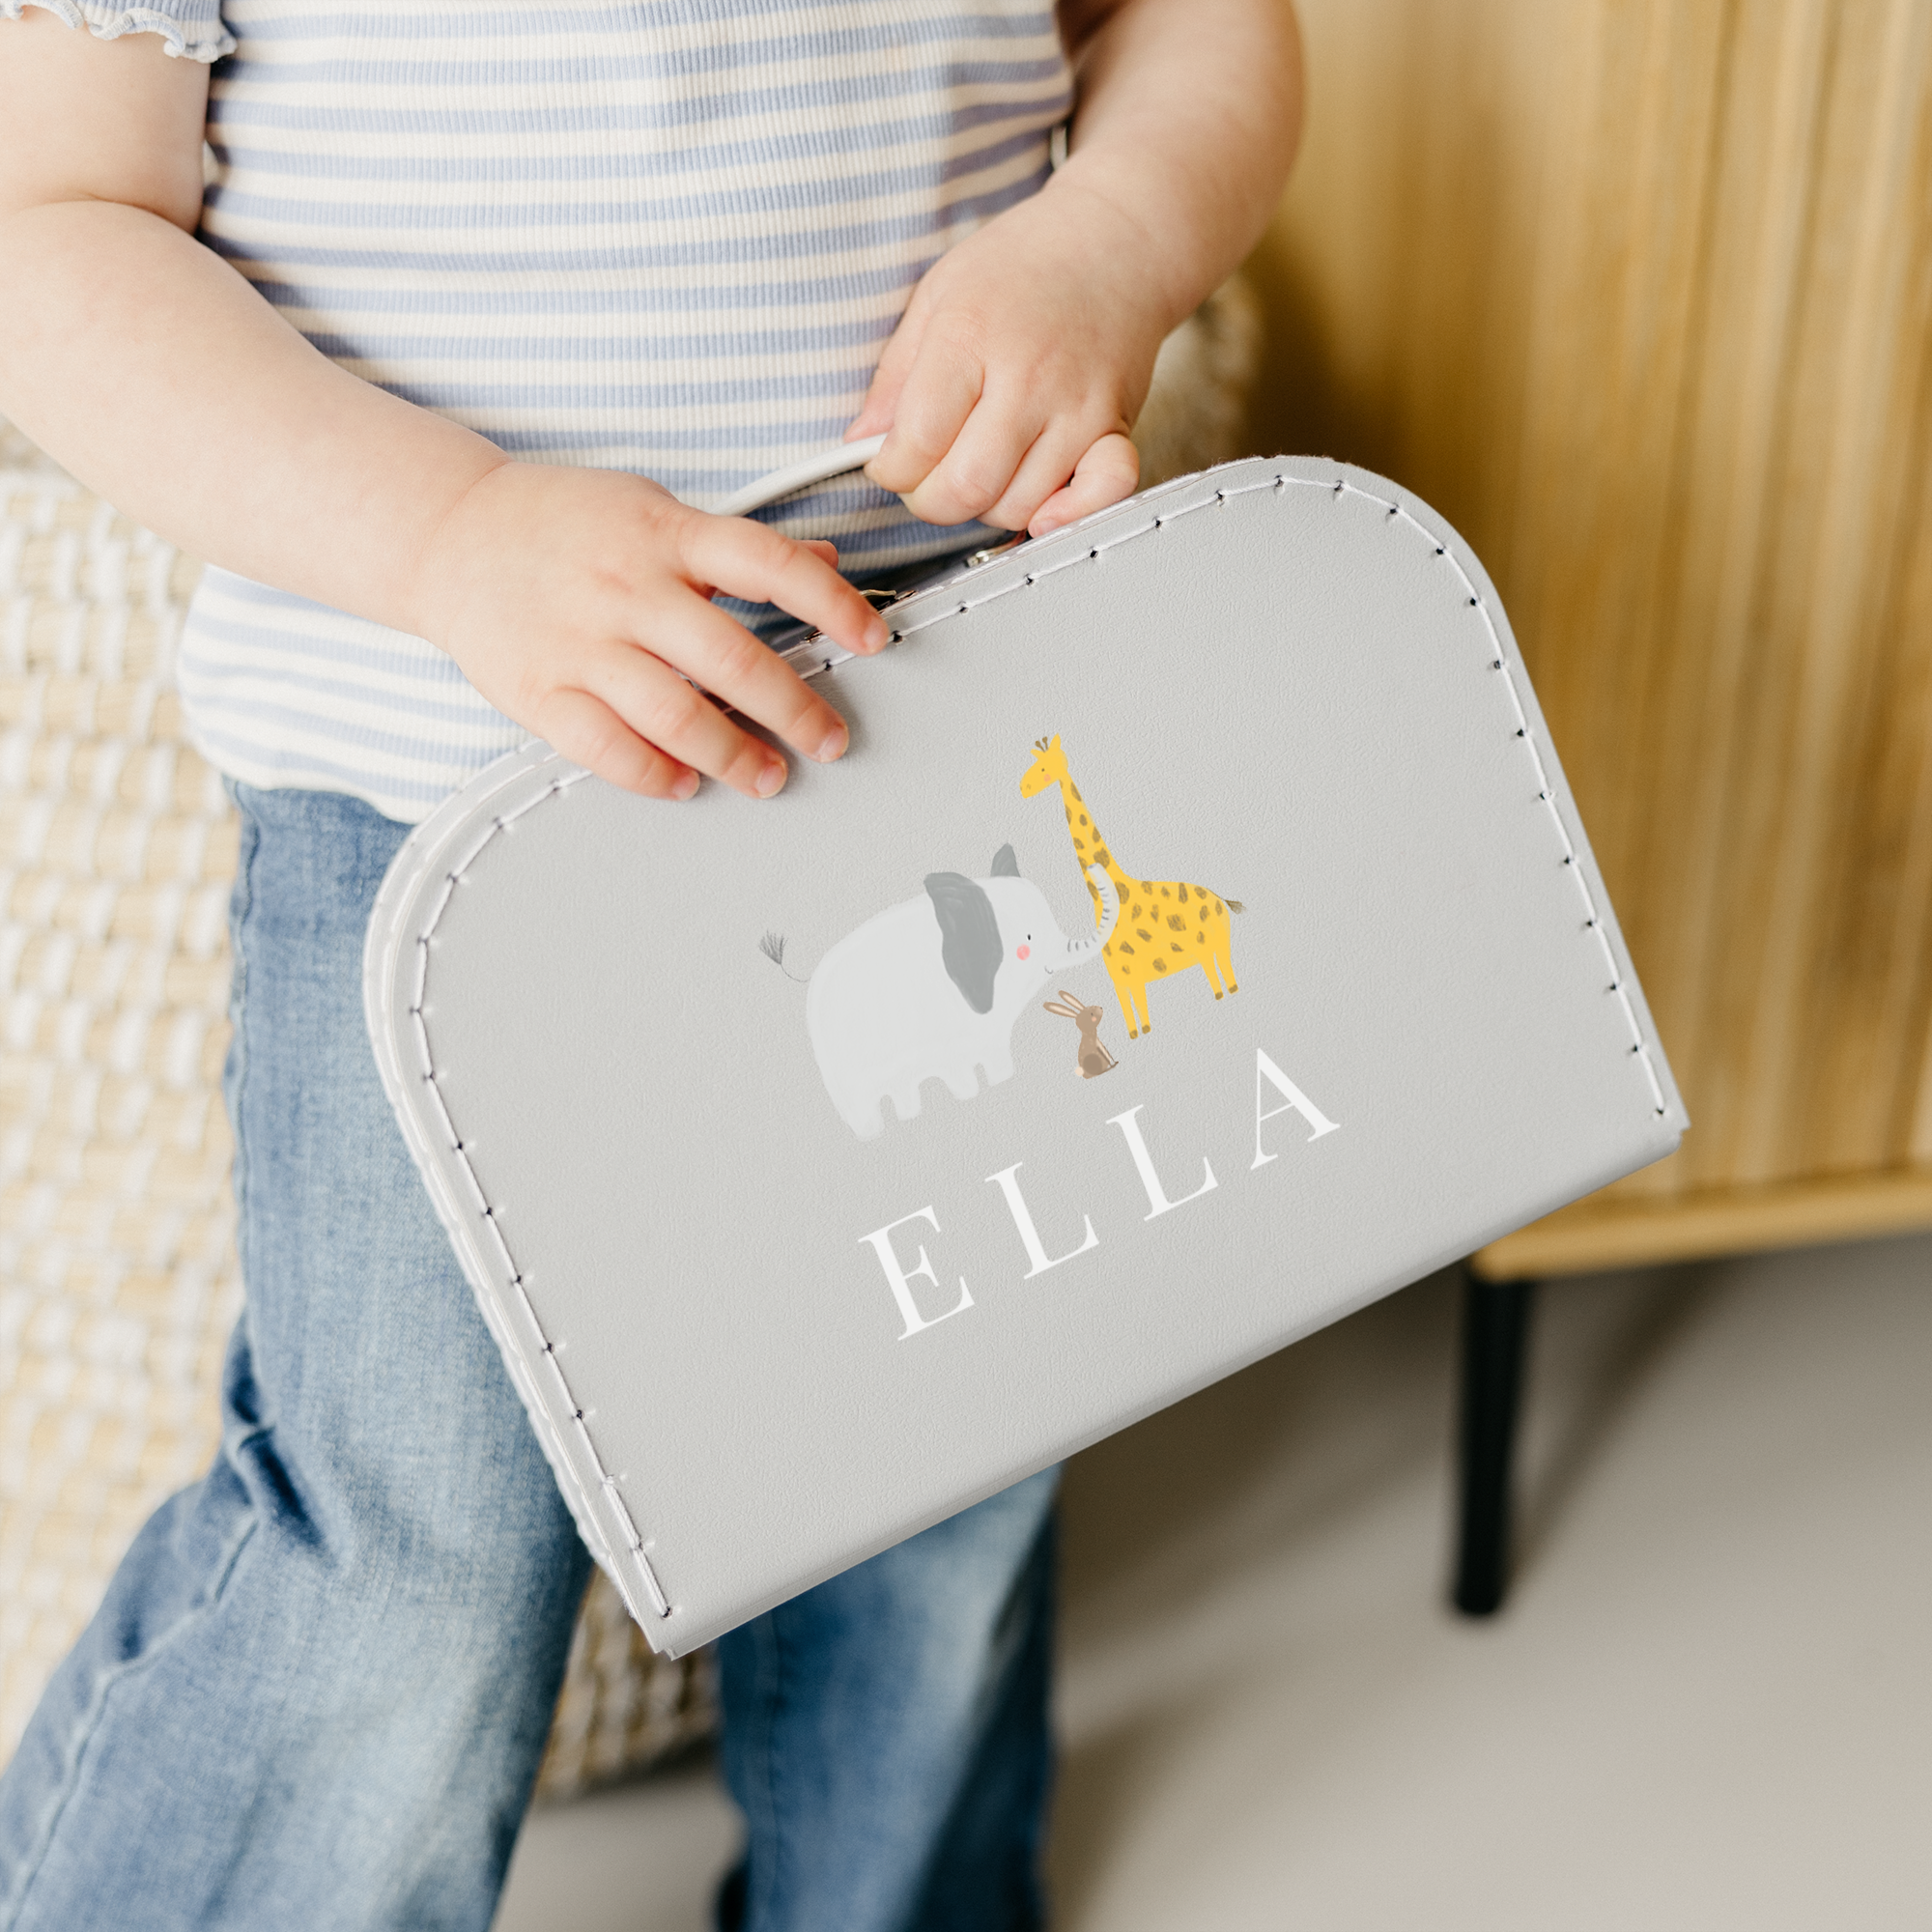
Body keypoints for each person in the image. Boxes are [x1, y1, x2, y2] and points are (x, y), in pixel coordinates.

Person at [0, 1, 1301, 1924]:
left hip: (929, 745)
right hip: (428, 814)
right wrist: (444, 529)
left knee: (952, 1436)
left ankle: (901, 1889)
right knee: (416, 1556)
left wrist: (1108, 240)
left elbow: (1201, 29)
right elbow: (55, 228)